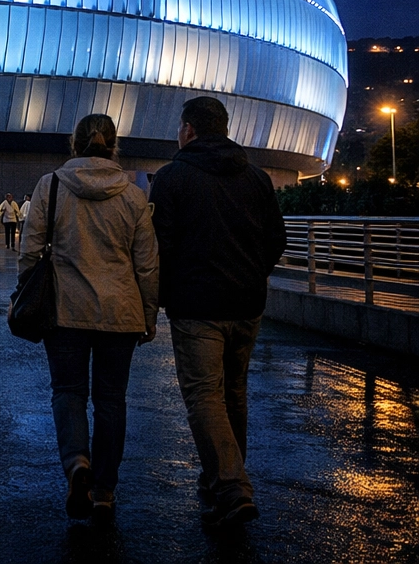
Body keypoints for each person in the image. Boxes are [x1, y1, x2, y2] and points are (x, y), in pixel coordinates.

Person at [149, 96, 285, 531]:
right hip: (246, 304)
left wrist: (164, 294)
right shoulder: (257, 178)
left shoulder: (172, 178)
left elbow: (160, 247)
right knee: (234, 393)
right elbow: (276, 240)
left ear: (188, 130)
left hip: (197, 307)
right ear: (223, 127)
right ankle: (223, 480)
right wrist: (251, 275)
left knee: (205, 395)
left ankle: (231, 485)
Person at [19, 113, 158, 527]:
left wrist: (24, 297)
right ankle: (104, 492)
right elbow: (148, 266)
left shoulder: (53, 186)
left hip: (65, 311)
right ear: (114, 146)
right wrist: (149, 315)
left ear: (74, 144)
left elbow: (30, 251)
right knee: (111, 401)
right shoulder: (133, 196)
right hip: (121, 313)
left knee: (68, 392)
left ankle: (77, 462)